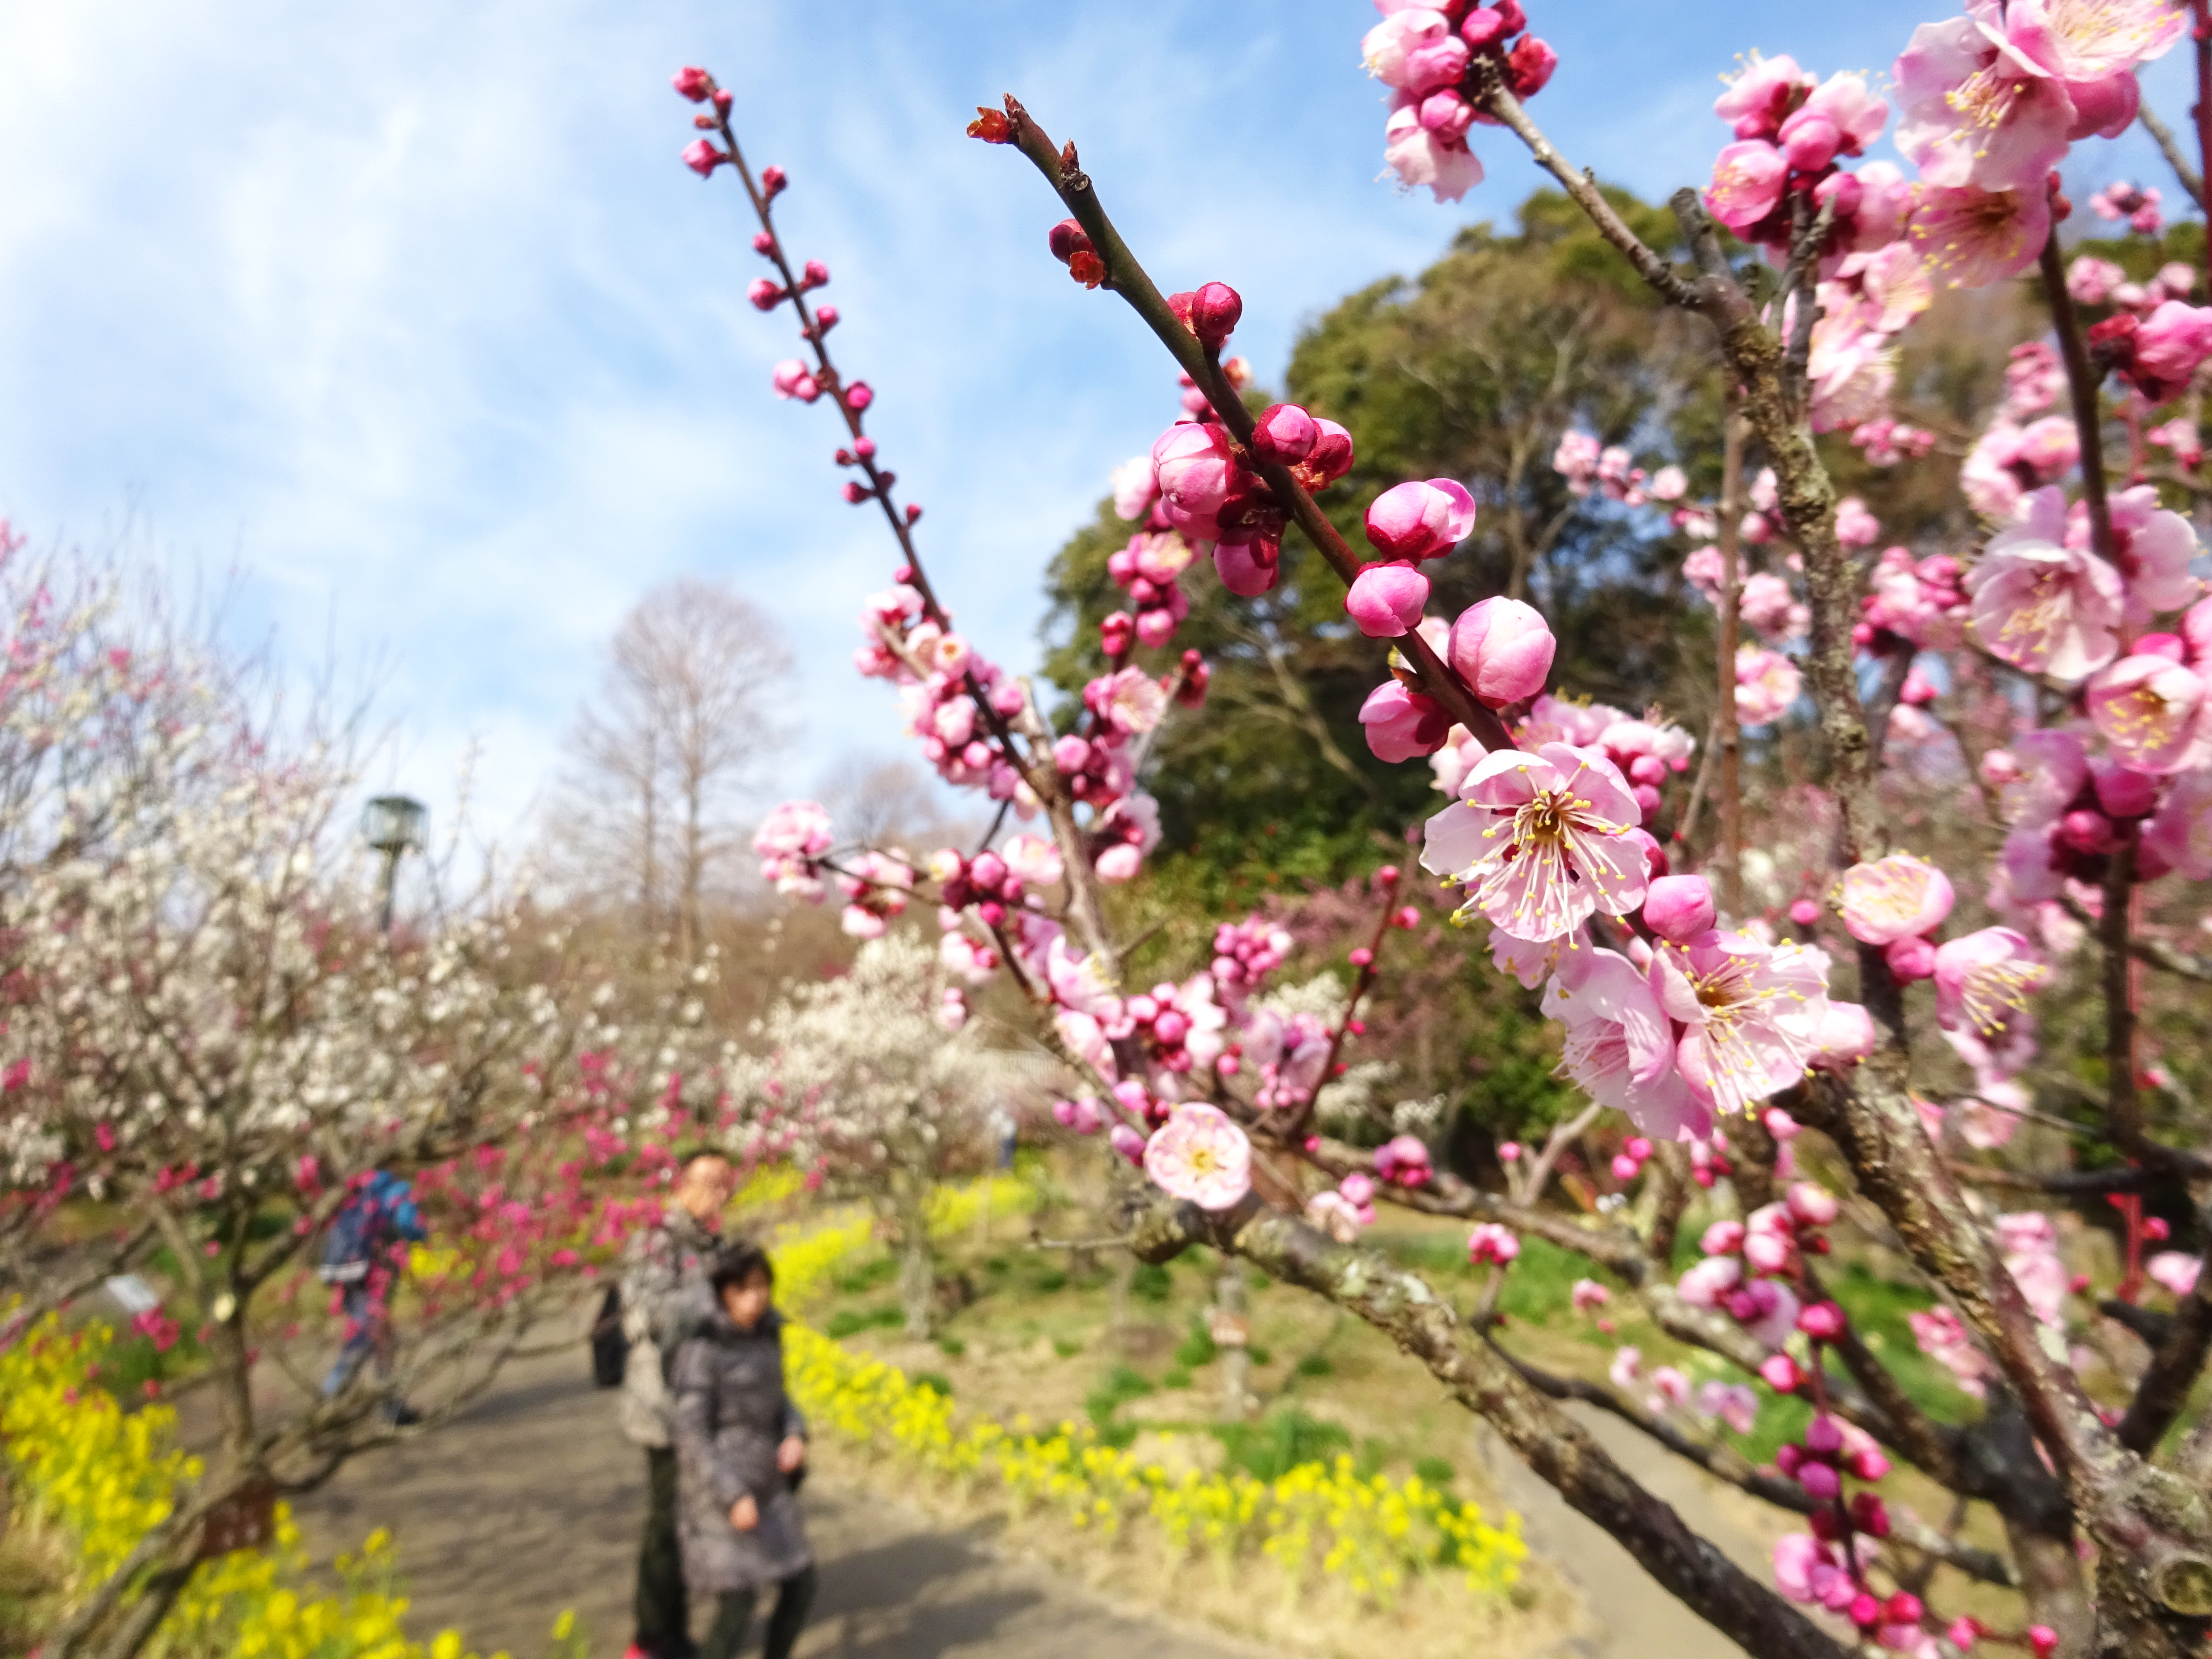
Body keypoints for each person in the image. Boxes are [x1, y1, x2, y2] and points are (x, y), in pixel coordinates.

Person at [619, 1148, 738, 1659]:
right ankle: (649, 1638)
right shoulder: (654, 1241)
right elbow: (651, 1315)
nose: (720, 1193)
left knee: (690, 1523)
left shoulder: (719, 1245)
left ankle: (674, 1631)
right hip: (664, 1408)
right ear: (681, 1184)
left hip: (708, 1408)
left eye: (727, 1184)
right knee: (666, 1523)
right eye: (710, 1181)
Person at [670, 1244, 814, 1659]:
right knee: (738, 1603)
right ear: (723, 1294)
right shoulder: (704, 1349)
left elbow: (780, 1397)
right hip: (720, 1489)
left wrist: (794, 1433)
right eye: (744, 1290)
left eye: (762, 1287)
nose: (756, 1298)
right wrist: (732, 1495)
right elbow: (691, 1430)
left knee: (801, 1584)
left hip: (767, 1483)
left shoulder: (768, 1335)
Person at [319, 1168, 428, 1423]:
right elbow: (409, 1225)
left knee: (368, 1335)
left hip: (345, 1273)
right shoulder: (396, 1190)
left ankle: (387, 1404)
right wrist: (422, 1236)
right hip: (374, 1273)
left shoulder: (354, 1189)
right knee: (371, 1338)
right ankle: (331, 1400)